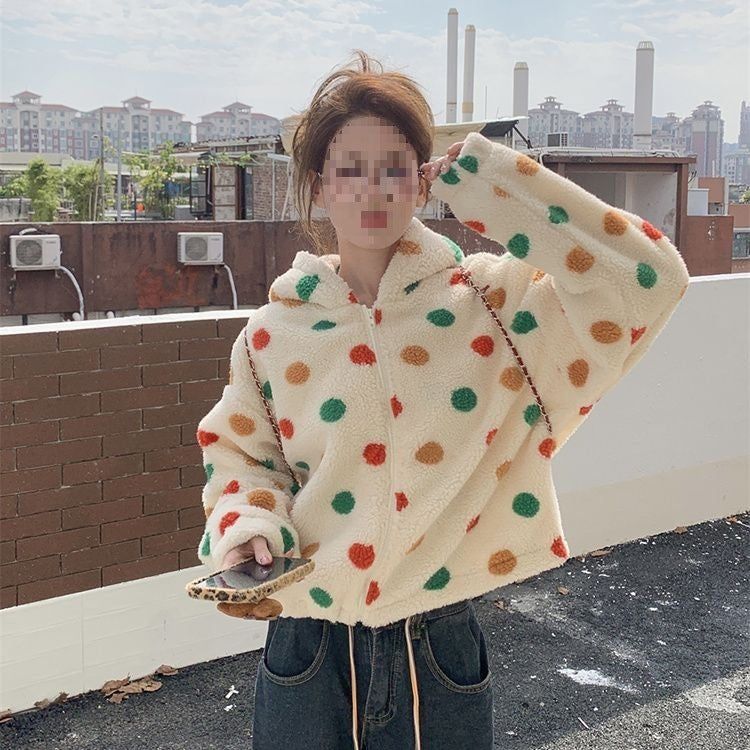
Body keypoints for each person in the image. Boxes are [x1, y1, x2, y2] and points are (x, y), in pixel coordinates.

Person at [194, 50, 689, 750]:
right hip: (305, 646)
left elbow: (649, 278)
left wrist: (491, 184)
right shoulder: (272, 334)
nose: (373, 189)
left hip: (437, 644)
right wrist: (249, 525)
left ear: (421, 181)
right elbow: (245, 460)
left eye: (393, 166)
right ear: (318, 186)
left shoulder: (493, 305)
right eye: (350, 168)